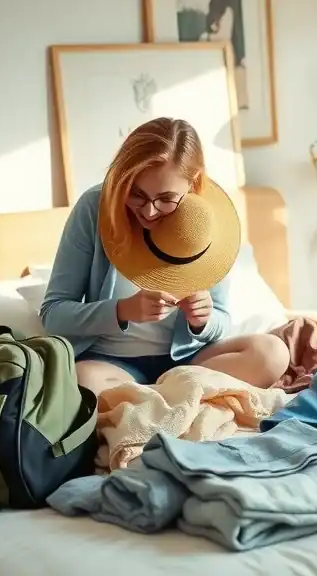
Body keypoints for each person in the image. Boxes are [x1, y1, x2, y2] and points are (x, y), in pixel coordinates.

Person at [40, 117, 290, 397]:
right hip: (112, 365)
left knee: (273, 353)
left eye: (166, 199)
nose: (148, 211)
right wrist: (122, 310)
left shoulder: (207, 220)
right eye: (136, 194)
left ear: (192, 183)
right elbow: (53, 314)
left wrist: (203, 320)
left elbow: (221, 322)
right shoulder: (95, 209)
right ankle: (178, 398)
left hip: (190, 364)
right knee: (84, 382)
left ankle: (155, 399)